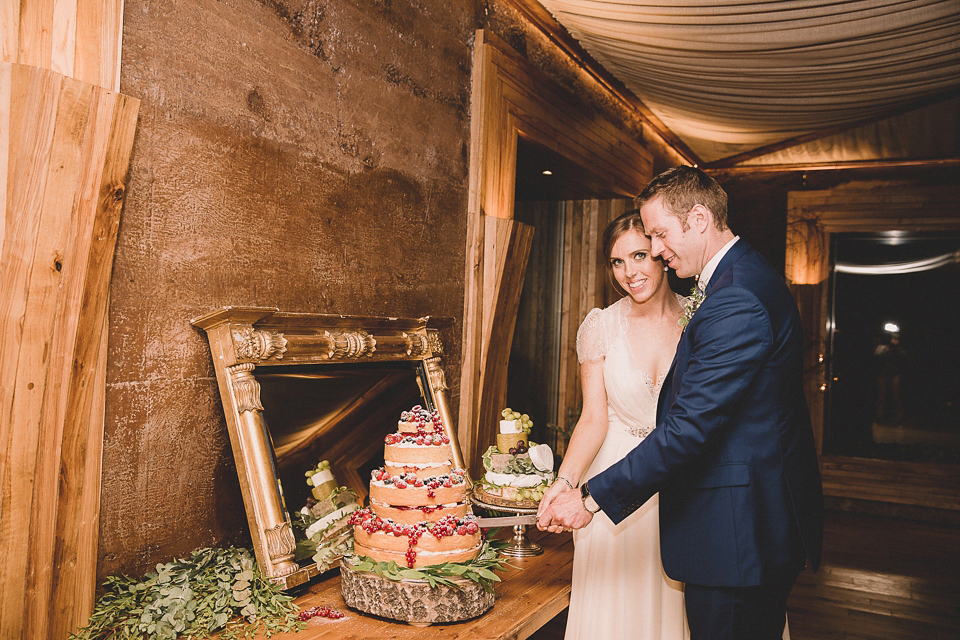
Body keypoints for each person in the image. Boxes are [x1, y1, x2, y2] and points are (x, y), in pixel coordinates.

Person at [538, 166, 823, 640]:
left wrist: (589, 497)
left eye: (659, 235)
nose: (656, 251)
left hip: (738, 529)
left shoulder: (735, 299)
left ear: (698, 219)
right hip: (735, 518)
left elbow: (687, 428)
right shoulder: (743, 277)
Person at [536, 210, 689, 639]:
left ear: (661, 254)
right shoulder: (602, 326)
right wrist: (566, 481)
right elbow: (593, 418)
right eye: (618, 262)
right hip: (606, 492)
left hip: (678, 482)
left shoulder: (700, 321)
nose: (629, 272)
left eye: (639, 256)